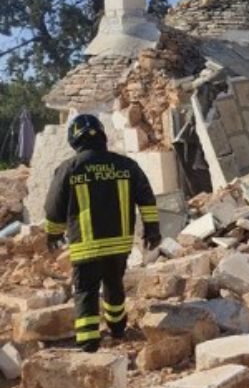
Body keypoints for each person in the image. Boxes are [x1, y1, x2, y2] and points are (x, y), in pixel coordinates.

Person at [44, 114, 161, 352]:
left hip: (86, 246)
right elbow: (147, 199)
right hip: (119, 245)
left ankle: (88, 342)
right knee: (114, 284)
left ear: (73, 139)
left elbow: (54, 207)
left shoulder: (69, 169)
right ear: (102, 135)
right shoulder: (126, 165)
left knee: (86, 291)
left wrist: (53, 235)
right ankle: (117, 328)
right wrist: (152, 231)